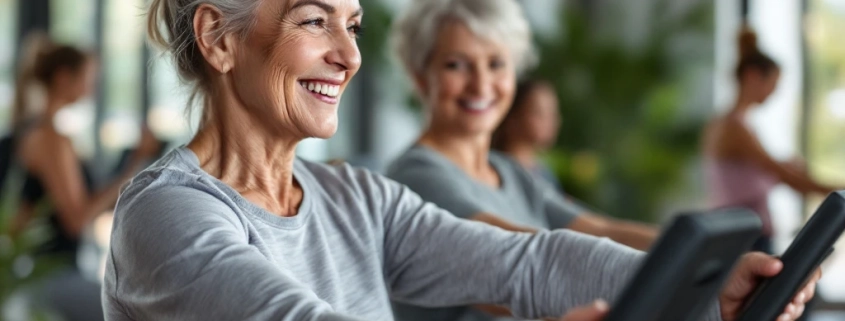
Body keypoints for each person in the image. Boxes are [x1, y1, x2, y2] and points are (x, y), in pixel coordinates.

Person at [102, 0, 817, 320]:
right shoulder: (165, 212)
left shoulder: (358, 198)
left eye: (351, 25)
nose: (348, 56)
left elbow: (528, 262)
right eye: (312, 20)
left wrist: (706, 288)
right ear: (219, 41)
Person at [8, 32, 160, 263]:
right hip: (49, 274)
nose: (92, 87)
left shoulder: (40, 130)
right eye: (88, 78)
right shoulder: (51, 139)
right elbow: (76, 220)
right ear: (62, 78)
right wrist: (134, 164)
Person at [703, 25, 837, 255]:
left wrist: (785, 169)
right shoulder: (734, 128)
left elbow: (753, 176)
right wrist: (834, 189)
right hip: (743, 237)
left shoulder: (737, 124)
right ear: (752, 76)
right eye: (773, 84)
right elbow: (782, 176)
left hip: (746, 232)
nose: (773, 92)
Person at [493, 79, 564, 191]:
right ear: (512, 118)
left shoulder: (546, 174)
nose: (552, 121)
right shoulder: (494, 171)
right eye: (539, 112)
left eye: (553, 112)